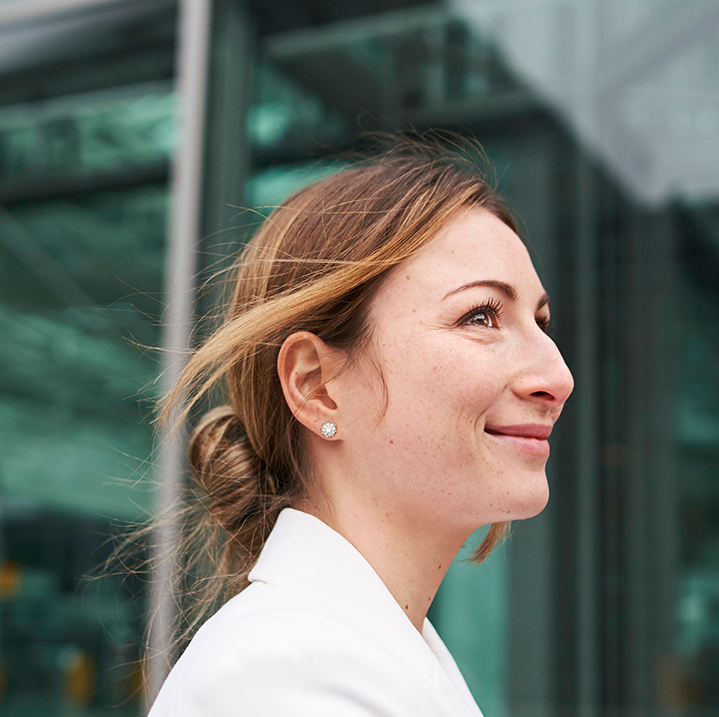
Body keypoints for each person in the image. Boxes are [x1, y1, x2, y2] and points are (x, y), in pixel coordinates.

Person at [147, 140, 573, 715]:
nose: (558, 376)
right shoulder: (285, 679)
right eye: (481, 316)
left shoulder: (351, 652)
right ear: (317, 385)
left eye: (540, 321)